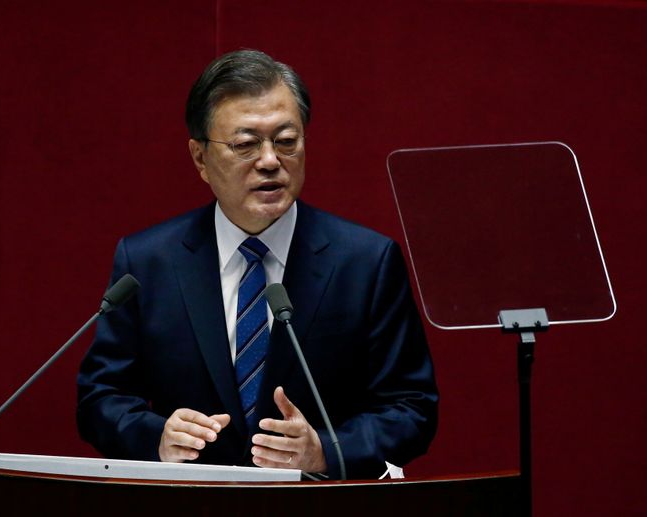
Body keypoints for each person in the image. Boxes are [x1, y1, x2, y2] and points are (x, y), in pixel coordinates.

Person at [76, 49, 438, 479]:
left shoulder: (365, 261)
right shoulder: (148, 261)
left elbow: (411, 407)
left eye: (286, 141)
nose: (270, 161)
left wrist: (325, 450)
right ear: (200, 158)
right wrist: (155, 436)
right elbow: (100, 397)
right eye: (246, 144)